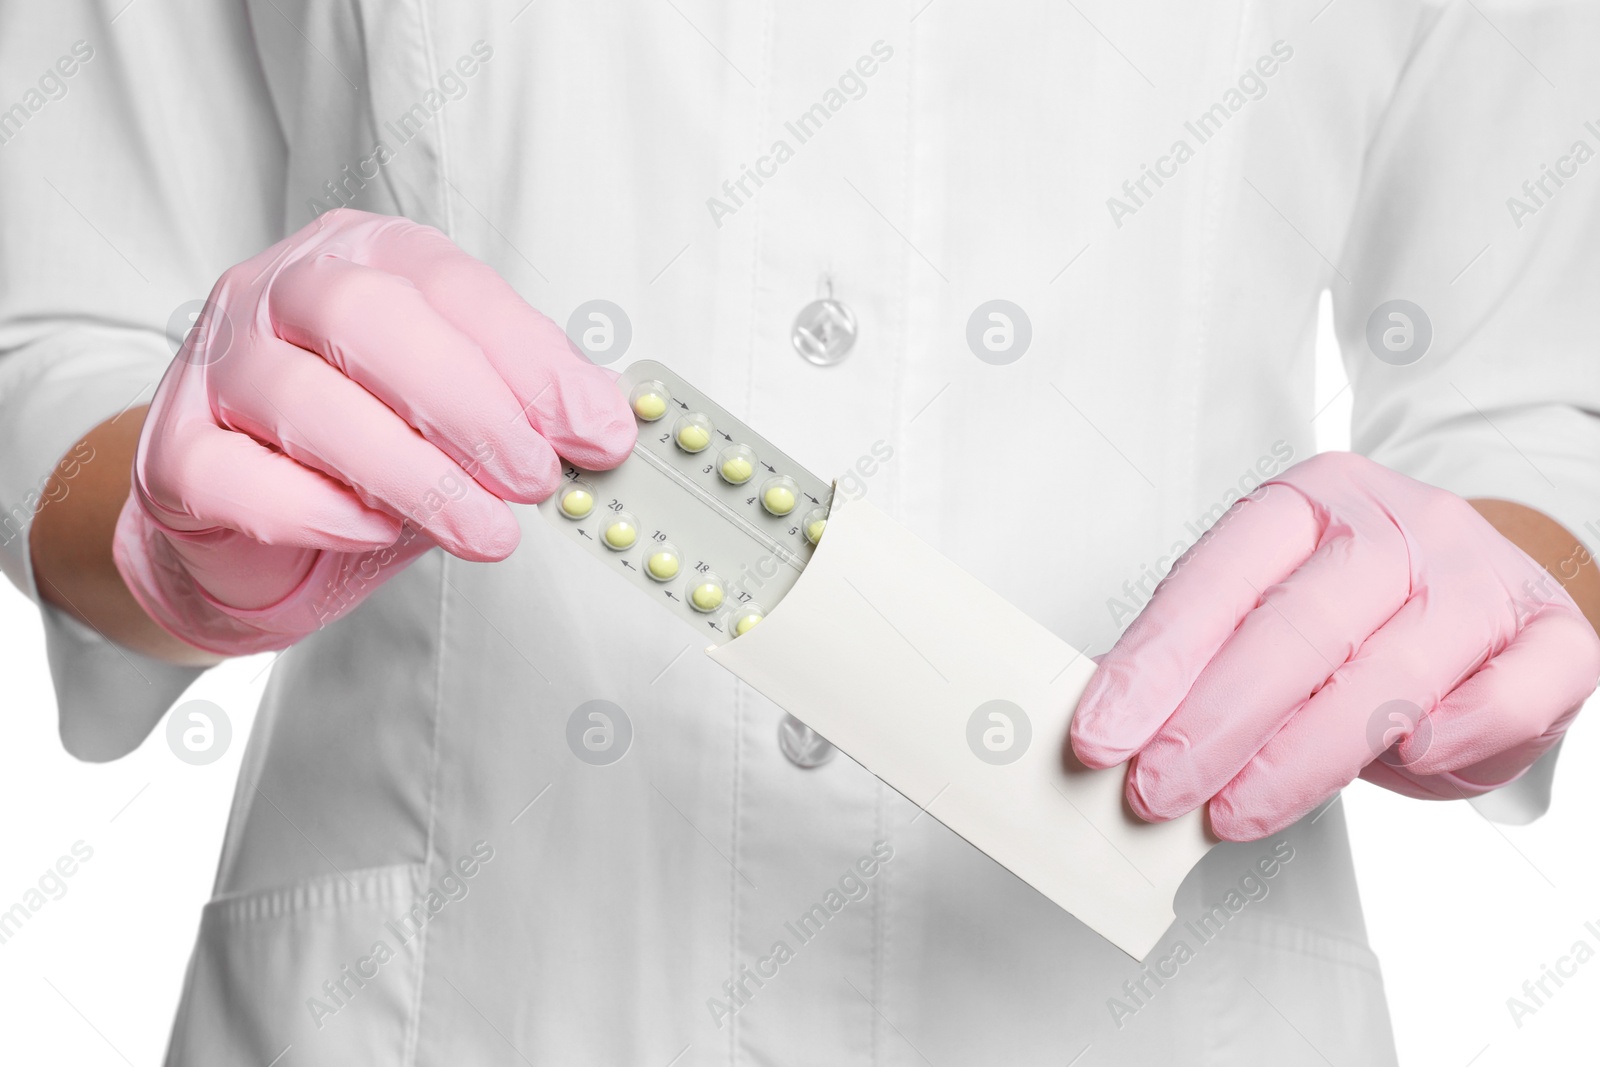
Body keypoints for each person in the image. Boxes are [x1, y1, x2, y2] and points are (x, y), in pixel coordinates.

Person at [3, 1, 1597, 1063]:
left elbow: (1542, 393)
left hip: (1176, 995)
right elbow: (51, 315)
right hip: (451, 1004)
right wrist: (152, 521)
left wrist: (1500, 589)